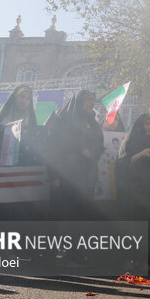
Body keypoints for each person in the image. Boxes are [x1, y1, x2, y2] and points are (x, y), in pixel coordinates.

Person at [115, 114, 150, 268]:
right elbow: (123, 163)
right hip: (133, 192)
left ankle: (149, 260)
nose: (149, 127)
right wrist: (140, 154)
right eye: (146, 124)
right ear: (139, 125)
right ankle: (130, 258)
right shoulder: (130, 142)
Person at [48, 90, 104, 219]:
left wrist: (92, 153)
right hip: (67, 175)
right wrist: (54, 175)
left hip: (88, 176)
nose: (92, 103)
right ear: (79, 101)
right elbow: (54, 148)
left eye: (93, 100)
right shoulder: (64, 120)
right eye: (88, 99)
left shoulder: (93, 123)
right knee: (66, 213)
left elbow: (99, 144)